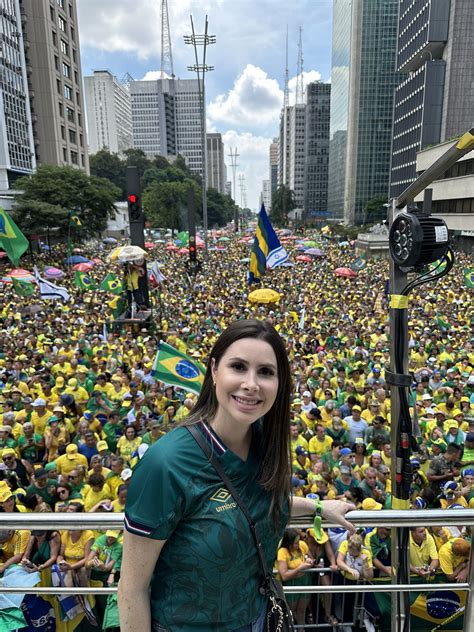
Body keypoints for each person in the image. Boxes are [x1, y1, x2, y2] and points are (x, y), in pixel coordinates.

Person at [119, 319, 355, 632]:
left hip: (258, 619)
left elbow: (253, 503)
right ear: (214, 371)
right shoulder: (166, 464)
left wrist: (319, 508)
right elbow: (132, 588)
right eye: (239, 367)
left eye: (266, 372)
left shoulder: (262, 440)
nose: (251, 384)